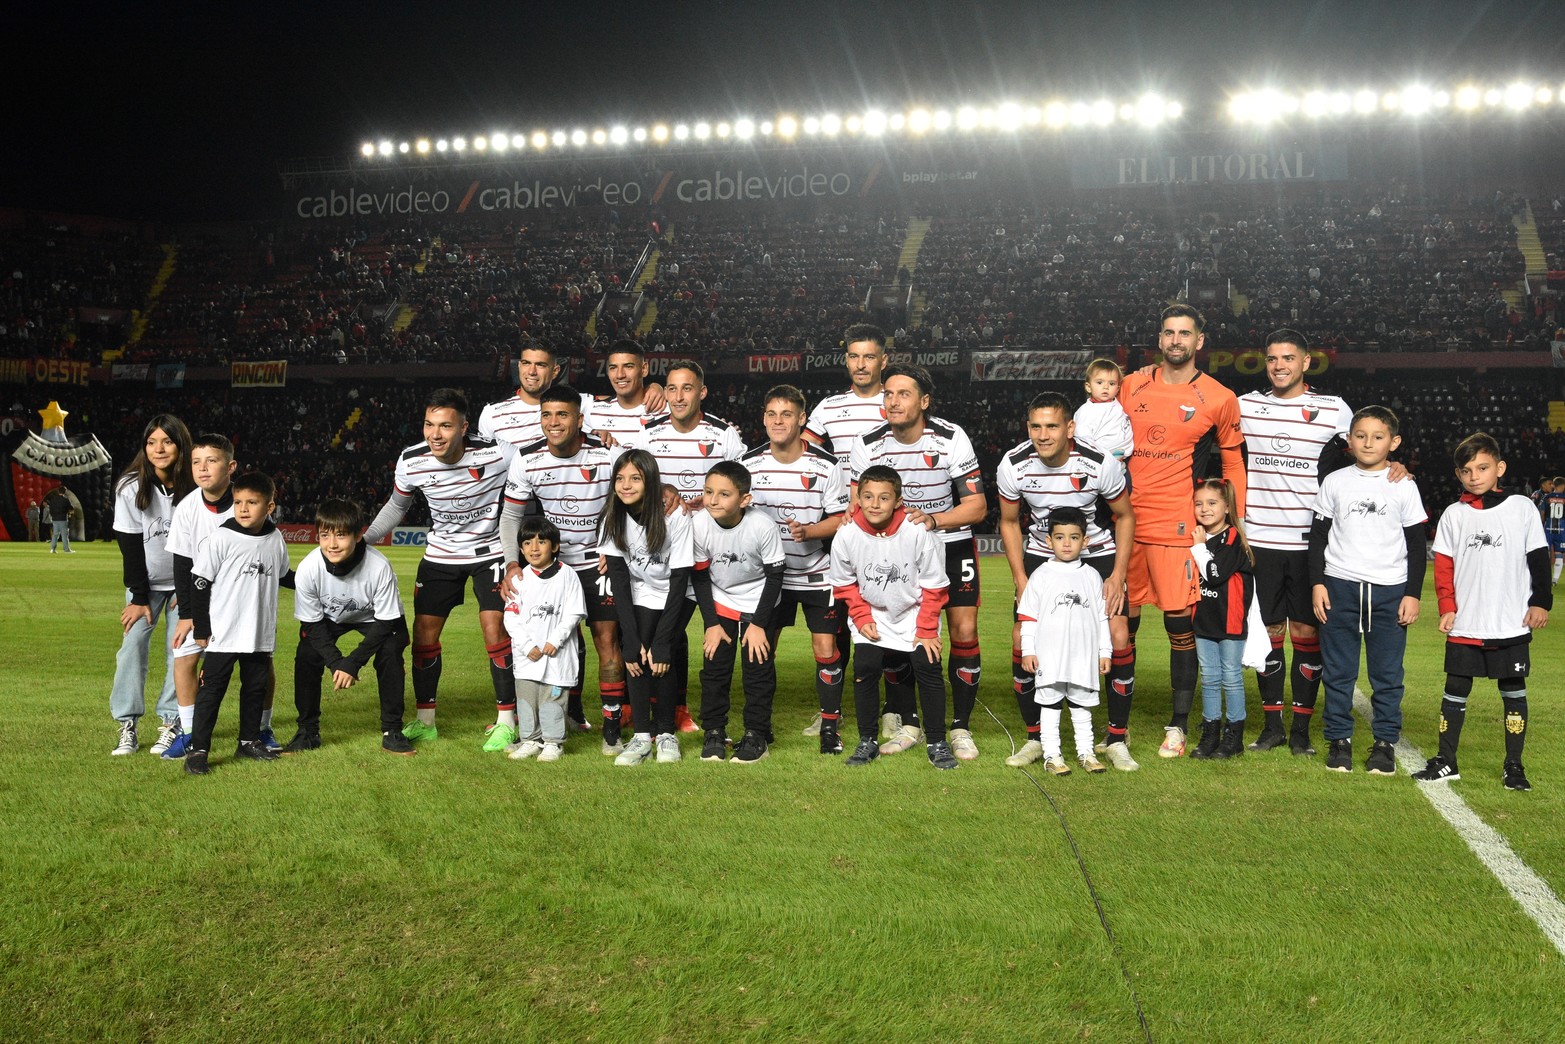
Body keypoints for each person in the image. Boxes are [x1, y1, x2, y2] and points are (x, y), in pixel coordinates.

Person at [1119, 304, 1246, 760]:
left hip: (1177, 529)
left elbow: (1232, 461)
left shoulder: (1218, 397)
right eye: (1169, 332)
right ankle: (1119, 728)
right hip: (1126, 527)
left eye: (1185, 333)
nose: (1176, 340)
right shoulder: (1128, 385)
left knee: (1180, 629)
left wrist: (1235, 522)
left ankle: (1177, 726)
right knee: (1121, 630)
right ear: (1160, 337)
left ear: (1199, 341)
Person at [364, 388, 517, 748]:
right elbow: (396, 507)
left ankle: (507, 720)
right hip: (441, 554)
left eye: (445, 426)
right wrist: (365, 539)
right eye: (429, 425)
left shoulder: (498, 452)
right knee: (424, 636)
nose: (435, 434)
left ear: (464, 427)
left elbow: (540, 464)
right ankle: (426, 719)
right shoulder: (411, 460)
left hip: (490, 551)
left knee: (494, 628)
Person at [850, 363, 986, 759]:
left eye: (903, 394)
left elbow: (976, 506)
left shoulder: (950, 437)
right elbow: (856, 506)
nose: (893, 401)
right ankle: (909, 721)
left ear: (923, 401)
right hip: (895, 554)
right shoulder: (868, 443)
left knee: (962, 630)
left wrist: (933, 520)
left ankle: (959, 727)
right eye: (888, 394)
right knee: (896, 633)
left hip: (950, 545)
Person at [996, 392, 1135, 769]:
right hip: (1042, 553)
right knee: (1020, 637)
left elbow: (1124, 516)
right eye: (1036, 426)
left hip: (1097, 549)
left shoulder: (1099, 463)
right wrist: (1021, 578)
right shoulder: (1013, 464)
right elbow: (1009, 522)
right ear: (1028, 428)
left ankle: (1116, 739)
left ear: (1069, 428)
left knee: (1118, 635)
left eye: (1052, 426)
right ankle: (1035, 738)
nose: (1043, 434)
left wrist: (1118, 574)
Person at [1413, 434, 1551, 790]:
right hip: (1466, 621)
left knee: (1513, 690)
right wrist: (1446, 606)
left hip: (1510, 619)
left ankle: (1514, 765)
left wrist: (1540, 602)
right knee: (1455, 688)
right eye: (1467, 470)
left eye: (1483, 467)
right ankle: (1447, 761)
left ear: (1499, 468)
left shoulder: (1521, 507)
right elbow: (1443, 567)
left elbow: (1538, 558)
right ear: (1458, 475)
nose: (1475, 476)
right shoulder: (1453, 515)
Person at [1238, 329, 1351, 756]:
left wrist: (1395, 468)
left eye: (1288, 358)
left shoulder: (1333, 409)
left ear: (1306, 362)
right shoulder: (1247, 405)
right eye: (1272, 359)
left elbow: (1366, 446)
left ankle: (1301, 730)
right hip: (1260, 541)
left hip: (1310, 544)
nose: (1279, 365)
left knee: (1306, 630)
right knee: (1268, 633)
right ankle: (1272, 727)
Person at [619, 360, 746, 732]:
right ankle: (653, 711)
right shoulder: (648, 433)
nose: (678, 396)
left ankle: (682, 710)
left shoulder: (724, 435)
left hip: (708, 551)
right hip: (660, 552)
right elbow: (634, 482)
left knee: (674, 635)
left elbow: (737, 486)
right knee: (662, 635)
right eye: (671, 388)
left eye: (686, 388)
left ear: (701, 392)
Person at [499, 384, 627, 750]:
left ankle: (612, 727)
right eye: (546, 415)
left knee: (607, 641)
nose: (553, 423)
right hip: (551, 569)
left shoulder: (607, 452)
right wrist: (512, 564)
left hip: (597, 565)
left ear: (580, 419)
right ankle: (564, 714)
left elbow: (631, 499)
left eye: (563, 415)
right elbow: (510, 516)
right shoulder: (526, 458)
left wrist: (614, 544)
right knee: (554, 640)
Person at [1309, 405, 1426, 775]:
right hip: (1340, 586)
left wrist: (1412, 593)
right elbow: (1317, 537)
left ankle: (1384, 743)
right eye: (1360, 435)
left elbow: (1417, 544)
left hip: (1389, 590)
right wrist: (1317, 583)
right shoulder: (1336, 482)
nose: (1368, 442)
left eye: (1378, 437)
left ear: (1394, 442)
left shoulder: (1403, 484)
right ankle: (1339, 740)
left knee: (1387, 675)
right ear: (1349, 439)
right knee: (1339, 671)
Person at [802, 322, 901, 739]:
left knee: (892, 615)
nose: (860, 365)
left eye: (869, 357)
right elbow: (802, 451)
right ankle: (834, 710)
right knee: (838, 622)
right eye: (853, 356)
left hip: (889, 528)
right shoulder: (828, 408)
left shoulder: (897, 400)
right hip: (843, 530)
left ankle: (894, 711)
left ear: (884, 360)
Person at [743, 385, 850, 754]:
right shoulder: (749, 464)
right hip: (767, 577)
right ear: (763, 419)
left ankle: (830, 728)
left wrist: (809, 531)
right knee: (760, 650)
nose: (778, 421)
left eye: (786, 414)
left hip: (817, 571)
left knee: (825, 646)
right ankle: (759, 727)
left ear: (802, 419)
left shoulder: (825, 464)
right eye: (771, 414)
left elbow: (840, 518)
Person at [829, 465, 956, 770]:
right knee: (866, 667)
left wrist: (926, 629)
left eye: (883, 498)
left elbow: (935, 585)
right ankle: (867, 741)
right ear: (857, 498)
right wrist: (860, 617)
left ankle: (938, 742)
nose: (874, 504)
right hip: (872, 613)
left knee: (927, 666)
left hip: (915, 612)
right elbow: (844, 583)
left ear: (898, 501)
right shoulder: (846, 534)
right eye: (868, 497)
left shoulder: (916, 531)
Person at [183, 472, 295, 776]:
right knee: (211, 692)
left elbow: (284, 576)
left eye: (252, 502)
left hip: (259, 633)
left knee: (255, 689)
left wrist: (313, 583)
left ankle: (248, 741)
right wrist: (202, 628)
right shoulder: (221, 537)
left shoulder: (275, 538)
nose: (243, 509)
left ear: (269, 507)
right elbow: (199, 583)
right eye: (238, 502)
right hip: (224, 633)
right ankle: (198, 750)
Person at [290, 499, 415, 755]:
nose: (332, 544)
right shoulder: (308, 569)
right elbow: (312, 625)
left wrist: (352, 663)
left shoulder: (378, 566)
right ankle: (307, 731)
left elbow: (386, 622)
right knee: (307, 654)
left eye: (341, 535)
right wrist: (337, 663)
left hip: (376, 619)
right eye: (325, 535)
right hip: (329, 618)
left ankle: (392, 730)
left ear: (358, 535)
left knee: (391, 651)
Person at [598, 450, 694, 766]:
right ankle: (641, 737)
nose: (625, 485)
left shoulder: (674, 515)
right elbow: (620, 582)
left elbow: (680, 578)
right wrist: (630, 640)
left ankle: (666, 733)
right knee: (637, 655)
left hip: (675, 592)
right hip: (639, 592)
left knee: (660, 656)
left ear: (650, 480)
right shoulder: (611, 516)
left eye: (635, 478)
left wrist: (663, 641)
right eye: (620, 478)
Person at [108, 415, 194, 756]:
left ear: (180, 445)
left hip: (184, 586)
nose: (159, 449)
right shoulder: (130, 486)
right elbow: (129, 545)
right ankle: (127, 724)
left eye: (167, 441)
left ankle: (171, 723)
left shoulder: (194, 486)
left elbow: (202, 544)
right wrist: (138, 597)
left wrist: (188, 593)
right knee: (131, 650)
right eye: (152, 442)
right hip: (144, 586)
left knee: (181, 652)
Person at [691, 461, 786, 764]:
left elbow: (775, 577)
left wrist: (758, 624)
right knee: (715, 668)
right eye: (708, 492)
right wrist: (711, 623)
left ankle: (757, 733)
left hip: (760, 598)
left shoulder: (762, 526)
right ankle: (715, 731)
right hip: (721, 599)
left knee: (757, 667)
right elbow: (701, 576)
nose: (713, 500)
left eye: (723, 494)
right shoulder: (700, 523)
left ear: (744, 500)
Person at [1016, 507, 1112, 776]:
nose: (1066, 543)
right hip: (1050, 655)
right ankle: (1052, 755)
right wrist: (1028, 650)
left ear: (1086, 540)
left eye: (1074, 537)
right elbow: (1028, 618)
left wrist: (1105, 651)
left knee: (1082, 706)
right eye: (1059, 537)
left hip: (1083, 655)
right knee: (1050, 704)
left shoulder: (1091, 576)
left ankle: (1086, 753)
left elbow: (1102, 618)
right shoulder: (1041, 575)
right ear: (1049, 541)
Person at [163, 433, 241, 759]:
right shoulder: (186, 508)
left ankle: (262, 729)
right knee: (184, 657)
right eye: (196, 462)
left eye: (212, 460)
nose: (203, 468)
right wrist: (188, 616)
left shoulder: (245, 502)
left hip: (240, 598)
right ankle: (192, 732)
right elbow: (181, 564)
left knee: (259, 663)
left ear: (231, 466)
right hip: (201, 599)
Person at [500, 516, 587, 764]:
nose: (534, 548)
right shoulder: (518, 580)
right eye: (527, 543)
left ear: (555, 546)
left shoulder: (568, 576)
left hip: (556, 655)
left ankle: (552, 743)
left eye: (541, 542)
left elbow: (574, 613)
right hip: (527, 656)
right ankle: (530, 740)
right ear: (521, 549)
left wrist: (555, 641)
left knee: (552, 701)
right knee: (527, 700)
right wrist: (528, 646)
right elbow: (511, 619)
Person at [1188, 479, 1255, 761]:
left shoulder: (1232, 539)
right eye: (1199, 503)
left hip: (1229, 621)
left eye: (1212, 503)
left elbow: (1214, 574)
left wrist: (1199, 547)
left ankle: (1234, 735)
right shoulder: (1201, 536)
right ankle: (1211, 732)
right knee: (1210, 678)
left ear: (1227, 507)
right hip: (1205, 620)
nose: (1204, 509)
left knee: (1230, 677)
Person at [478, 343, 624, 449]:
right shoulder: (492, 413)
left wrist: (648, 389)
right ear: (519, 366)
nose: (532, 371)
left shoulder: (578, 402)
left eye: (540, 365)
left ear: (555, 371)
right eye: (526, 363)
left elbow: (628, 401)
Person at [583, 340, 669, 445]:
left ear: (644, 369)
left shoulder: (668, 411)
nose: (620, 375)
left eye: (628, 366)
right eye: (613, 368)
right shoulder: (591, 412)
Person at [1072, 358, 1134, 461]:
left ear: (1118, 389)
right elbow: (1083, 441)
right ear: (1088, 387)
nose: (1106, 387)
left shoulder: (1118, 403)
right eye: (1100, 382)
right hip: (1100, 462)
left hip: (1123, 460)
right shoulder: (1086, 412)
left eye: (1112, 384)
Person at [1543, 475, 1565, 585]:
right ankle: (1554, 580)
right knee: (1559, 553)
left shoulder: (1547, 497)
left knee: (1544, 554)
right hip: (1561, 530)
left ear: (1554, 485)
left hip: (1548, 529)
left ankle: (1545, 578)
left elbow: (1541, 512)